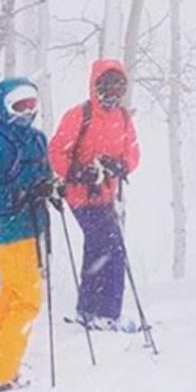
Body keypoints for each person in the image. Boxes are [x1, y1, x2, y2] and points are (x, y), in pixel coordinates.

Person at [0, 77, 57, 392]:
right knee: (28, 301)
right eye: (19, 106)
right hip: (10, 230)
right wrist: (25, 192)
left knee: (11, 295)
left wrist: (50, 188)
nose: (27, 112)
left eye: (31, 105)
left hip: (32, 226)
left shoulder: (36, 139)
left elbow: (43, 174)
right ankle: (3, 372)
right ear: (5, 107)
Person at [48, 60, 140, 330]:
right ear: (96, 87)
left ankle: (90, 310)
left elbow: (133, 153)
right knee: (110, 246)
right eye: (107, 89)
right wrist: (78, 172)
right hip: (80, 195)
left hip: (105, 194)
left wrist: (119, 166)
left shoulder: (122, 118)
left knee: (101, 246)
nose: (112, 96)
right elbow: (56, 151)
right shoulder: (80, 115)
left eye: (118, 90)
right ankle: (106, 312)